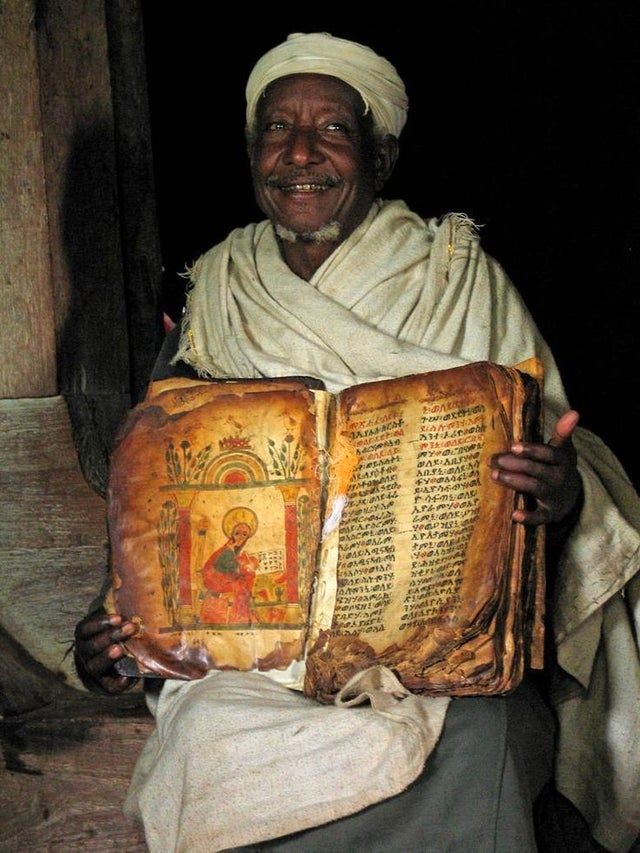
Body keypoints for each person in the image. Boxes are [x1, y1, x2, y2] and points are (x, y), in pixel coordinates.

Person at [75, 32, 640, 852]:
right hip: (256, 671)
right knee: (209, 748)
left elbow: (561, 450)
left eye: (332, 131)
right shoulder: (218, 296)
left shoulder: (457, 278)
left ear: (381, 152)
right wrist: (115, 634)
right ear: (251, 149)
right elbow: (161, 499)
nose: (300, 154)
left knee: (477, 740)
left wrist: (560, 492)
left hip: (438, 656)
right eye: (276, 129)